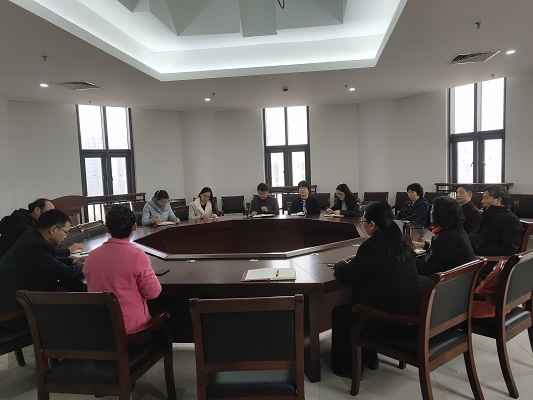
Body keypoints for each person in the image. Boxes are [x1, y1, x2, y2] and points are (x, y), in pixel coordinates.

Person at [330, 201, 420, 375]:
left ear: (372, 224)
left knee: (341, 313)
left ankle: (347, 369)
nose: (362, 225)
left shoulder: (373, 245)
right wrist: (360, 259)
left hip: (389, 321)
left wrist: (340, 264)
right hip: (410, 314)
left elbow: (348, 274)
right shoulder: (403, 240)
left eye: (363, 222)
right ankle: (370, 359)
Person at [83, 205, 162, 335]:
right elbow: (153, 293)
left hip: (101, 331)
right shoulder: (137, 256)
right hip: (133, 333)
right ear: (134, 227)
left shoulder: (92, 256)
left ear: (107, 229)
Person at [0, 210, 85, 319]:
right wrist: (88, 265)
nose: (65, 237)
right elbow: (65, 273)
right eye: (66, 232)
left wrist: (74, 261)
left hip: (16, 295)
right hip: (15, 307)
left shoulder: (30, 236)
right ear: (53, 229)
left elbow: (48, 260)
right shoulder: (35, 246)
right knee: (78, 300)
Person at [413, 196, 475, 285]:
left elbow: (429, 269)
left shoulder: (447, 237)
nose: (430, 212)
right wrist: (420, 245)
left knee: (407, 276)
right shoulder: (455, 229)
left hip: (449, 283)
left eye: (433, 210)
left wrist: (409, 259)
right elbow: (443, 252)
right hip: (459, 278)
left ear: (441, 214)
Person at [0, 198, 83, 258]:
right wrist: (68, 251)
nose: (52, 217)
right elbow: (41, 250)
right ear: (37, 210)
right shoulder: (24, 228)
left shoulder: (27, 221)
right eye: (49, 213)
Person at [469, 185, 522, 257]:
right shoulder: (488, 215)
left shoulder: (511, 220)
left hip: (490, 259)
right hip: (477, 252)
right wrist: (465, 240)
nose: (482, 201)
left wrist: (477, 249)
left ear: (498, 200)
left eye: (485, 198)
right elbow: (478, 233)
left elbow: (508, 249)